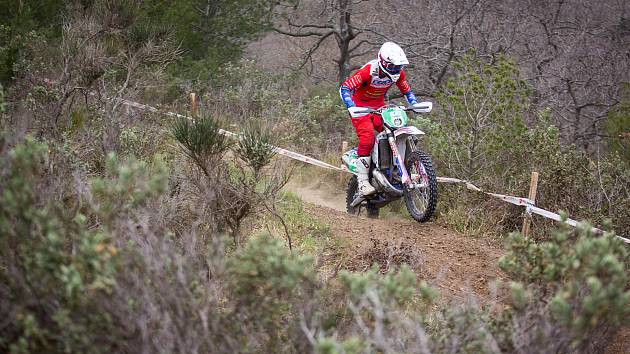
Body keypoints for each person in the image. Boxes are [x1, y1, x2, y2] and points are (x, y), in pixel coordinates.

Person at [339, 41, 419, 196]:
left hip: (379, 107)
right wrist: (350, 105)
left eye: (398, 67)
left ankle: (396, 170)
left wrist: (414, 103)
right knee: (368, 138)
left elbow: (406, 90)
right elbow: (345, 88)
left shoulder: (398, 74)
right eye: (392, 67)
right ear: (383, 62)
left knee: (398, 130)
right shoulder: (369, 71)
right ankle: (363, 182)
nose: (396, 70)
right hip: (360, 108)